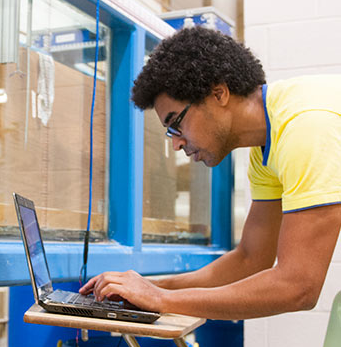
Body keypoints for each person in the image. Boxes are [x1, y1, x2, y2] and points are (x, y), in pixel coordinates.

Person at [80, 26, 341, 320]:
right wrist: (149, 288)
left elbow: (298, 286)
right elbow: (250, 259)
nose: (176, 143)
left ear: (219, 93)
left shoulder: (306, 127)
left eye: (176, 122)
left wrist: (161, 298)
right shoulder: (267, 147)